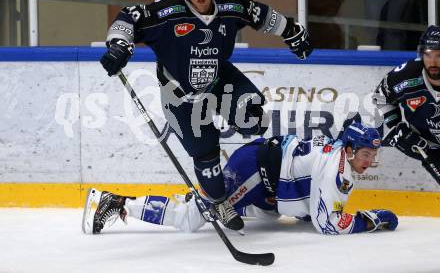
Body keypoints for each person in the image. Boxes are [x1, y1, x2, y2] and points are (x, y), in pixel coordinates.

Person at [99, 0, 312, 231]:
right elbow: (129, 16)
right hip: (180, 96)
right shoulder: (168, 11)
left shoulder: (229, 6)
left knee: (254, 117)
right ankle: (220, 202)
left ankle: (230, 122)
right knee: (206, 153)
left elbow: (260, 14)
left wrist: (292, 31)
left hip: (219, 78)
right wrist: (119, 46)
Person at [82, 122, 398, 235]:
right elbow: (328, 225)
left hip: (266, 186)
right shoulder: (338, 168)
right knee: (193, 219)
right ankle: (115, 202)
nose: (370, 162)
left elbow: (313, 205)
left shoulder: (340, 157)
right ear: (352, 149)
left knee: (244, 214)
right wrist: (371, 221)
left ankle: (209, 198)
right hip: (253, 174)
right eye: (366, 155)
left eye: (373, 155)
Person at [373, 25, 440, 185]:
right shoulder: (404, 77)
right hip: (426, 146)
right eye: (428, 55)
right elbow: (380, 96)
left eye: (439, 55)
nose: (433, 61)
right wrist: (396, 127)